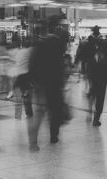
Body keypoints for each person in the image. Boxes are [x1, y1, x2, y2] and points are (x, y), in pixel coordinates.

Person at [28, 16, 69, 151]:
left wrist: (33, 80)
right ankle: (53, 135)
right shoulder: (58, 44)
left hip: (40, 83)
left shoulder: (40, 43)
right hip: (54, 83)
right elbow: (60, 65)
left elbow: (32, 64)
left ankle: (33, 142)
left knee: (39, 112)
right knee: (55, 110)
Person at [80, 25, 107, 127]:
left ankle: (90, 112)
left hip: (91, 72)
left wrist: (84, 71)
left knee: (92, 92)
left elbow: (82, 58)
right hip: (102, 73)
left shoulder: (87, 43)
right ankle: (96, 118)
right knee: (100, 95)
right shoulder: (106, 43)